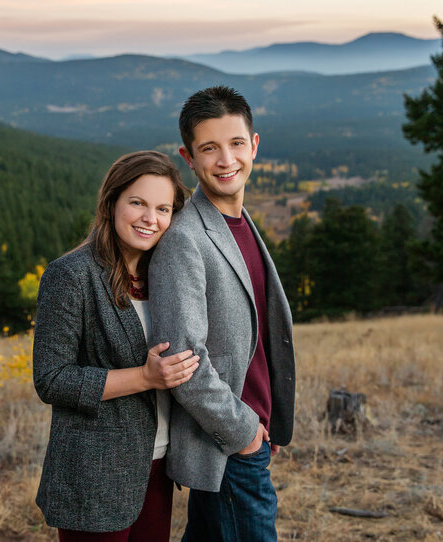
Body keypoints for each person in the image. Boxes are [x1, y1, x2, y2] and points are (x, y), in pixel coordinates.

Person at [148, 86, 296, 541]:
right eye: (209, 148)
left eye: (235, 144)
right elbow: (184, 362)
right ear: (188, 157)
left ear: (254, 145)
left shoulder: (242, 221)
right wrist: (245, 431)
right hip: (227, 447)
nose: (226, 159)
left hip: (249, 433)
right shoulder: (184, 239)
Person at [32, 150, 197, 542]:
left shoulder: (165, 277)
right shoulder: (71, 275)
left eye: (162, 208)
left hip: (157, 463)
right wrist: (144, 376)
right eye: (137, 203)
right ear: (111, 202)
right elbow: (52, 380)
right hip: (94, 471)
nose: (149, 219)